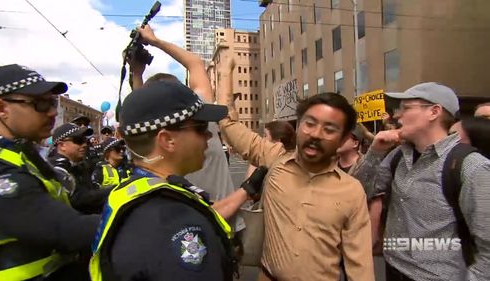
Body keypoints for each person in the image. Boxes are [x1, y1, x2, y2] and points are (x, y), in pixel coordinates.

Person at [89, 80, 267, 281]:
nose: (209, 134)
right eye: (200, 127)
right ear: (167, 140)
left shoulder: (134, 191)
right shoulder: (177, 222)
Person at [217, 60, 374, 281]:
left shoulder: (352, 191)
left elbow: (361, 267)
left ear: (344, 138)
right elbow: (229, 125)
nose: (316, 134)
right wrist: (225, 73)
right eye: (309, 123)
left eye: (329, 129)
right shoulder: (275, 159)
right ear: (298, 125)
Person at [354, 82, 490, 281]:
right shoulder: (398, 156)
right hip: (393, 269)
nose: (396, 115)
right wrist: (375, 152)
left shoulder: (471, 166)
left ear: (434, 112)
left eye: (406, 108)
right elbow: (358, 193)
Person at [129, 25, 245, 232]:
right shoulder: (198, 110)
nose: (206, 133)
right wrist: (154, 40)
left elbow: (142, 112)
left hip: (184, 226)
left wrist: (136, 73)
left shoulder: (153, 135)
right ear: (166, 140)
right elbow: (195, 64)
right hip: (220, 224)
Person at [0, 64, 99, 280]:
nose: (52, 112)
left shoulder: (21, 155)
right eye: (39, 103)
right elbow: (65, 229)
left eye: (53, 103)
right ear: (1, 108)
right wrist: (135, 213)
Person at [49, 123, 111, 214]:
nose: (85, 144)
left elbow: (91, 191)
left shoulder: (79, 165)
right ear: (62, 145)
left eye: (85, 140)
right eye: (78, 140)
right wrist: (115, 190)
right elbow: (78, 199)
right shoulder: (57, 169)